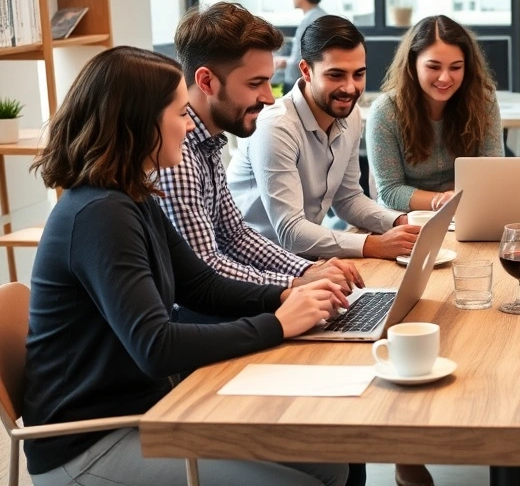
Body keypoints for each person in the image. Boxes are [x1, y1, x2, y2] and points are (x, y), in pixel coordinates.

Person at [23, 46, 352, 486]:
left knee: (330, 463)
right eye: (179, 113)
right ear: (139, 124)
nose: (187, 126)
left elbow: (201, 285)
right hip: (88, 443)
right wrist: (277, 324)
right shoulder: (100, 215)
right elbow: (155, 347)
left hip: (146, 412)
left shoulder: (130, 197)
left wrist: (286, 295)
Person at [159, 2, 363, 293]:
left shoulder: (209, 143)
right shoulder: (178, 155)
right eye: (256, 84)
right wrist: (294, 283)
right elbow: (206, 269)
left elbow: (236, 237)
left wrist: (309, 269)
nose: (269, 98)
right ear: (206, 81)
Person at [228, 15, 419, 260]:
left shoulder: (350, 115)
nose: (350, 88)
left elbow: (348, 198)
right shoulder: (276, 126)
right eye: (336, 75)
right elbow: (291, 232)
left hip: (304, 261)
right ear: (306, 71)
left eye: (358, 74)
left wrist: (401, 222)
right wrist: (375, 245)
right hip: (254, 267)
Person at [367, 14, 504, 212]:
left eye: (456, 67)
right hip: (407, 217)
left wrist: (456, 200)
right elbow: (389, 191)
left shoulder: (484, 103)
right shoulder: (385, 111)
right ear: (413, 64)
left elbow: (492, 174)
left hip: (468, 211)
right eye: (433, 66)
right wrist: (443, 201)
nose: (445, 78)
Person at [276, 0, 327, 92]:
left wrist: (282, 63)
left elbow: (298, 60)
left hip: (301, 85)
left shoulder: (309, 21)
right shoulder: (322, 16)